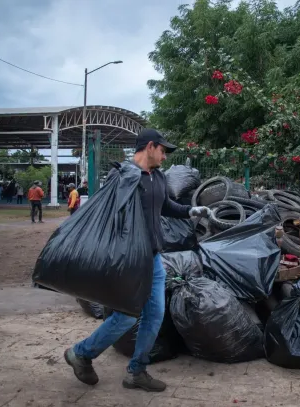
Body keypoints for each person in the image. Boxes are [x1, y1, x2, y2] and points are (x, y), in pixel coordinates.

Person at [63, 128, 210, 392]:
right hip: (128, 260)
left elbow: (166, 206)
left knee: (154, 315)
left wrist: (191, 210)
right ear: (150, 146)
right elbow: (106, 214)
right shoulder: (122, 175)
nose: (165, 157)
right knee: (127, 317)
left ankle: (137, 371)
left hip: (153, 259)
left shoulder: (159, 177)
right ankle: (81, 353)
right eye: (163, 150)